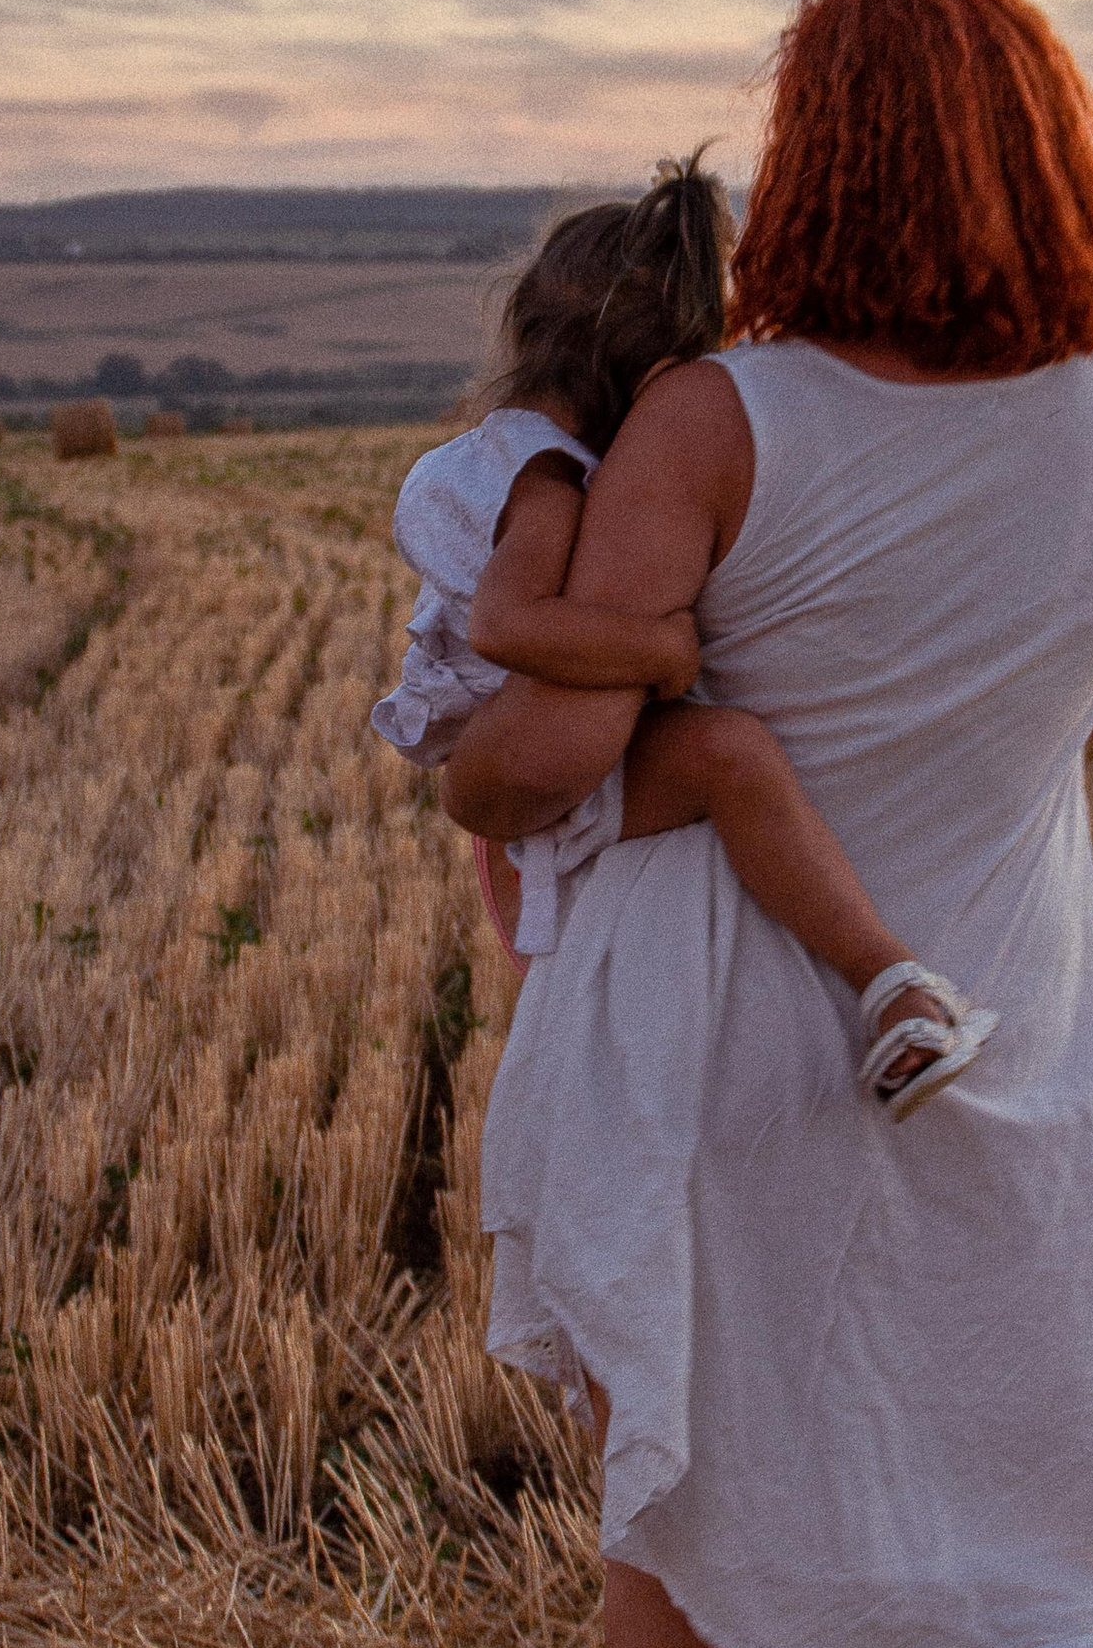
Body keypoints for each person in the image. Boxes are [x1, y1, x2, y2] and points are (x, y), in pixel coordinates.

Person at [441, 0, 1093, 1648]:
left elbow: (546, 743)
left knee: (684, 1482)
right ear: (1053, 150)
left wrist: (458, 765)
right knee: (1040, 1461)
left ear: (815, 155)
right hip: (1010, 1015)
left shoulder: (710, 419)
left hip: (717, 1025)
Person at [372, 158, 995, 1114]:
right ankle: (890, 980)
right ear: (655, 372)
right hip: (535, 753)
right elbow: (508, 624)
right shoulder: (542, 478)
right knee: (733, 758)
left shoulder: (499, 448)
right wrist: (663, 652)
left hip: (518, 751)